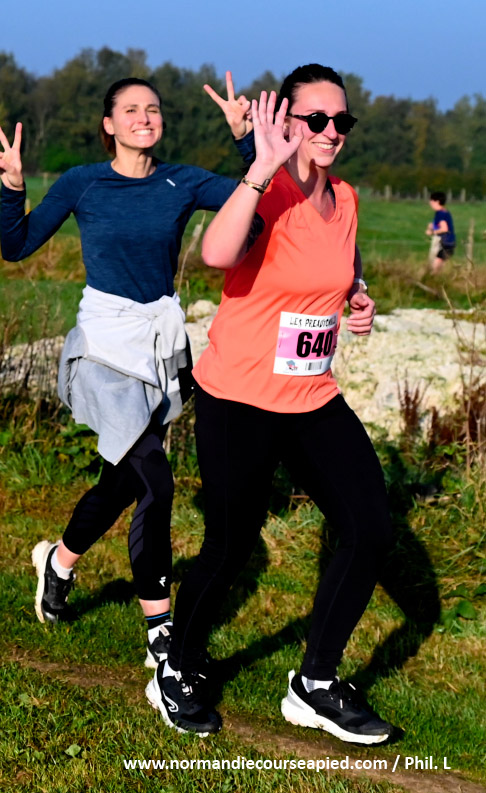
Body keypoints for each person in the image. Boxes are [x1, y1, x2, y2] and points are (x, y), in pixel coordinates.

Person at [147, 65, 394, 744]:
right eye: (316, 119)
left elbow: (339, 265)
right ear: (287, 121)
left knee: (370, 528)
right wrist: (258, 169)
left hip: (312, 396)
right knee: (230, 545)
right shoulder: (269, 190)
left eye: (341, 121)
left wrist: (357, 295)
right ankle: (177, 667)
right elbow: (216, 252)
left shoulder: (345, 198)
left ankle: (315, 684)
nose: (331, 131)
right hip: (240, 397)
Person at [0, 77, 245, 669]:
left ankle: (58, 561)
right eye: (130, 110)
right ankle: (161, 630)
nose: (143, 118)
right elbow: (15, 246)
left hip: (156, 348)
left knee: (125, 481)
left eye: (152, 109)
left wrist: (247, 141)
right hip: (104, 350)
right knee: (156, 482)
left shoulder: (182, 181)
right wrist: (13, 188)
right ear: (109, 124)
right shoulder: (83, 182)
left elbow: (259, 199)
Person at [425, 191, 456, 274]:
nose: (430, 203)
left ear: (437, 202)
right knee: (439, 269)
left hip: (444, 243)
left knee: (434, 268)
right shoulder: (444, 212)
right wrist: (432, 226)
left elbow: (444, 228)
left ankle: (433, 280)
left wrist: (432, 232)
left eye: (432, 201)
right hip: (449, 242)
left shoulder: (440, 214)